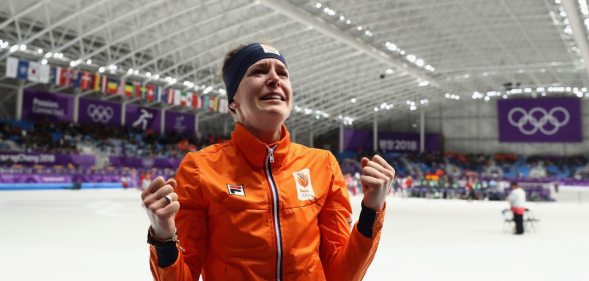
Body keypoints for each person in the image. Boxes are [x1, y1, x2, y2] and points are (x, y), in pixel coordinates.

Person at [141, 43, 395, 281]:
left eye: (282, 73)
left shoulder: (323, 165)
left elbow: (342, 275)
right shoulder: (200, 168)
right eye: (259, 71)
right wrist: (163, 236)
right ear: (233, 101)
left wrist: (372, 209)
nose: (275, 79)